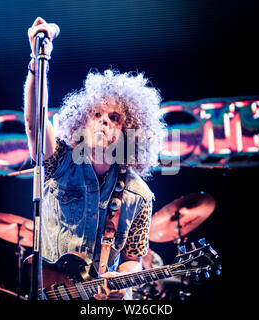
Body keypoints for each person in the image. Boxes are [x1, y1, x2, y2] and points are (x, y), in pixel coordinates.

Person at [24, 17, 167, 300]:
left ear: (130, 132)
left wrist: (120, 285)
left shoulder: (138, 195)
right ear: (82, 123)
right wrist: (37, 64)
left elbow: (132, 259)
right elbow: (34, 124)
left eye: (114, 118)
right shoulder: (60, 161)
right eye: (96, 115)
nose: (104, 123)